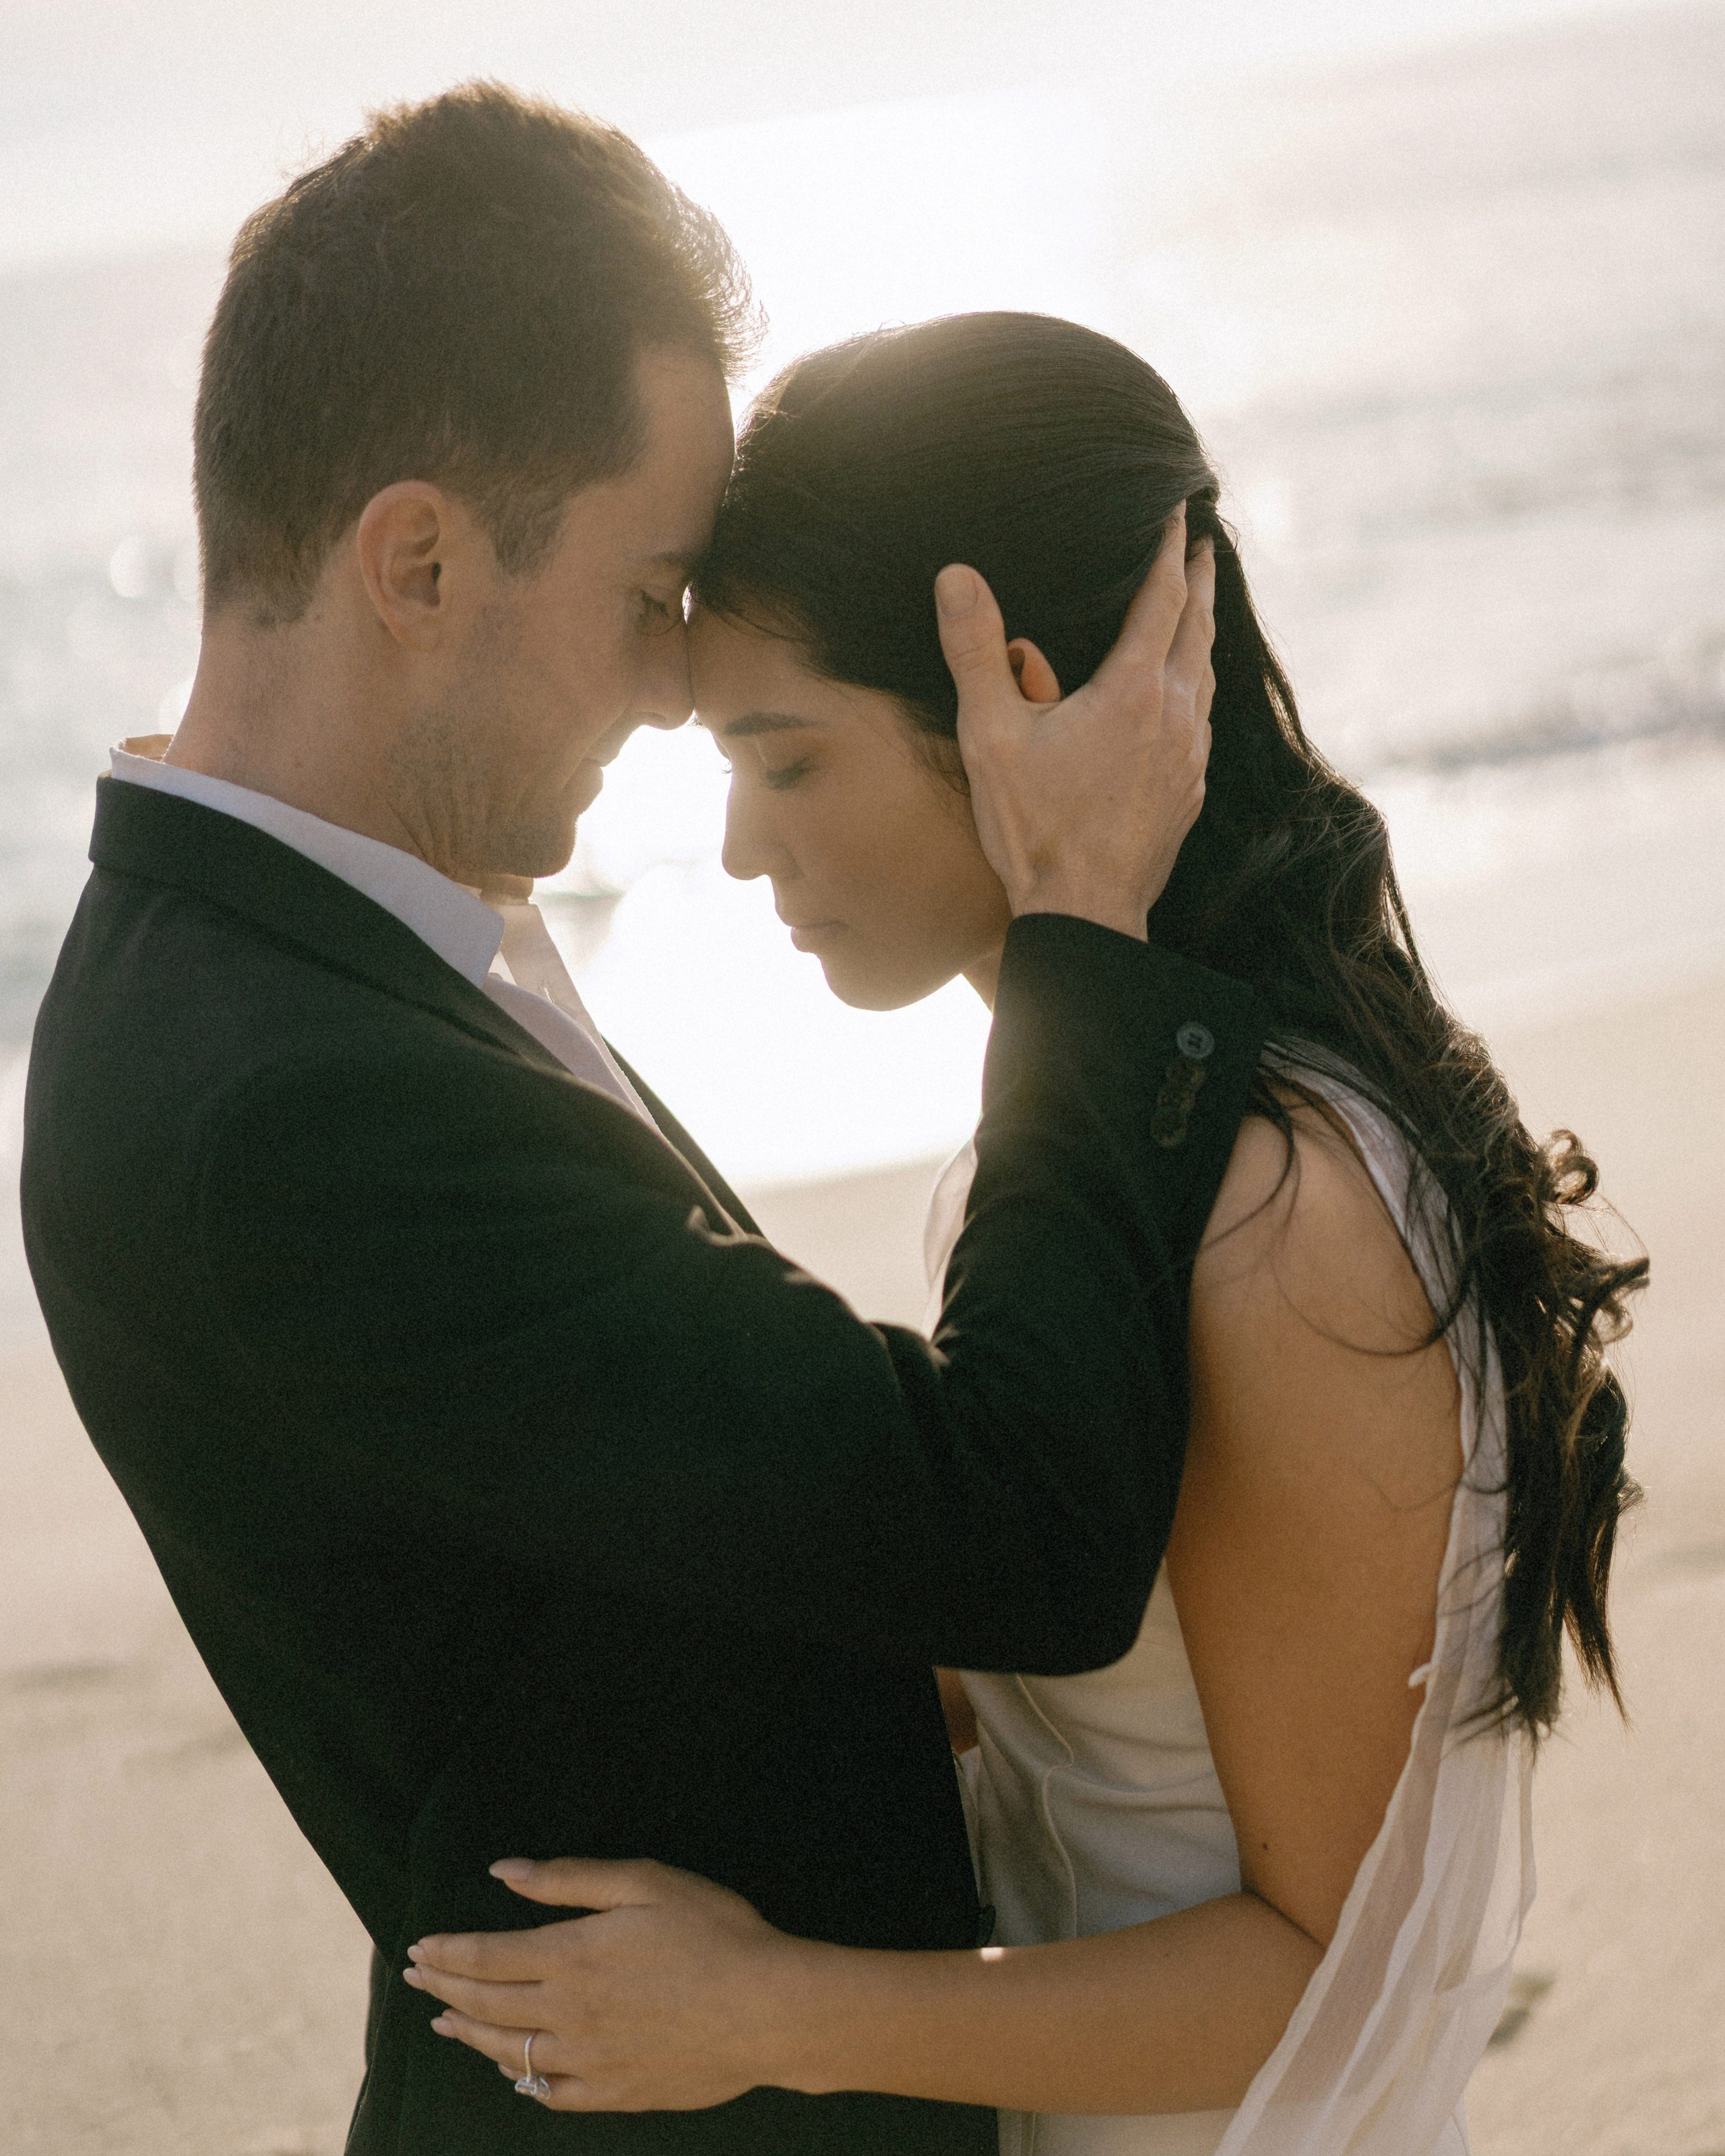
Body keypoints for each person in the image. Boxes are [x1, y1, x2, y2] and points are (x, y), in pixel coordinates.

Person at [20, 99, 1265, 2156]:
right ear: (420, 564)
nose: (687, 687)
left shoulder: (322, 950)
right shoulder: (287, 1109)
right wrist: (1081, 937)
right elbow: (1017, 1536)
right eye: (653, 587)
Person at [401, 314, 1646, 2156]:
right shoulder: (1083, 1142)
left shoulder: (1271, 1213)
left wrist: (769, 2011)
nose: (739, 849)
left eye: (788, 762)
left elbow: (1336, 1974)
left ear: (1026, 714)